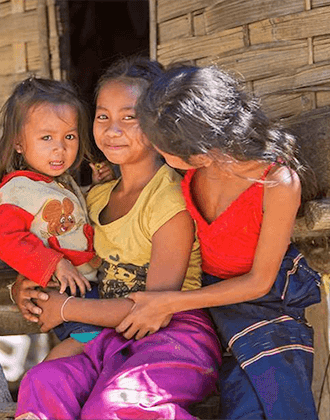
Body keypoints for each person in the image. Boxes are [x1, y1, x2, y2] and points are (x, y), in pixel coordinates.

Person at [12, 58, 221, 420]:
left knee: (115, 407)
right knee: (43, 382)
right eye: (102, 116)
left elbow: (153, 309)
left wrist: (64, 308)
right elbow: (67, 259)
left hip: (174, 338)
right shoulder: (95, 198)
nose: (112, 129)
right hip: (111, 338)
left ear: (159, 122)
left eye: (129, 117)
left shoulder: (168, 200)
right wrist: (24, 286)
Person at [122, 64, 321, 419]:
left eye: (162, 150)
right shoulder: (194, 164)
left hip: (265, 299)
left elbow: (259, 281)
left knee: (266, 400)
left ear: (200, 153)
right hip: (205, 295)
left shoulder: (276, 181)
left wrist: (171, 302)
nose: (157, 154)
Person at [0, 77, 109, 360]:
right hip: (58, 288)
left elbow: (69, 222)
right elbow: (7, 241)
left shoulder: (59, 181)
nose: (60, 148)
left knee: (98, 337)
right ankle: (49, 373)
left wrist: (99, 187)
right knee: (89, 338)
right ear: (18, 143)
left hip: (84, 282)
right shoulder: (17, 190)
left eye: (69, 136)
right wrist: (55, 263)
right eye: (47, 138)